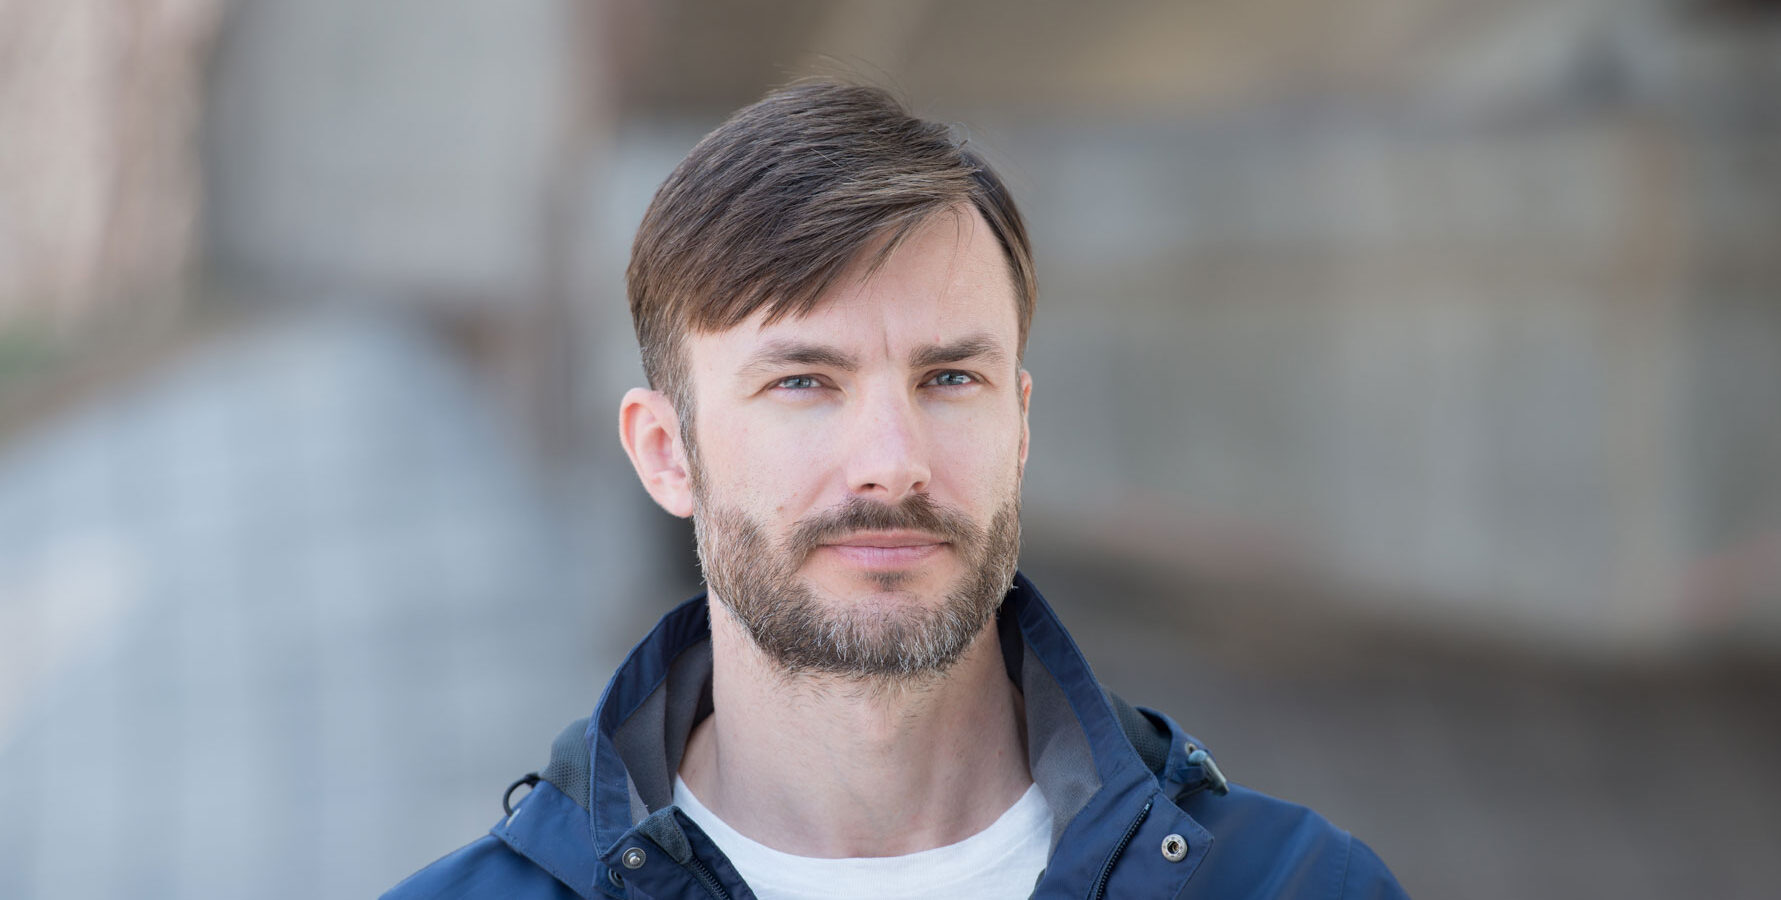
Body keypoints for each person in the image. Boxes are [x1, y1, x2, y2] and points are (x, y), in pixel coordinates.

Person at [385, 81, 1408, 899]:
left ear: (1019, 427)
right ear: (666, 454)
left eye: (949, 379)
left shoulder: (1298, 885)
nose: (892, 459)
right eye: (804, 383)